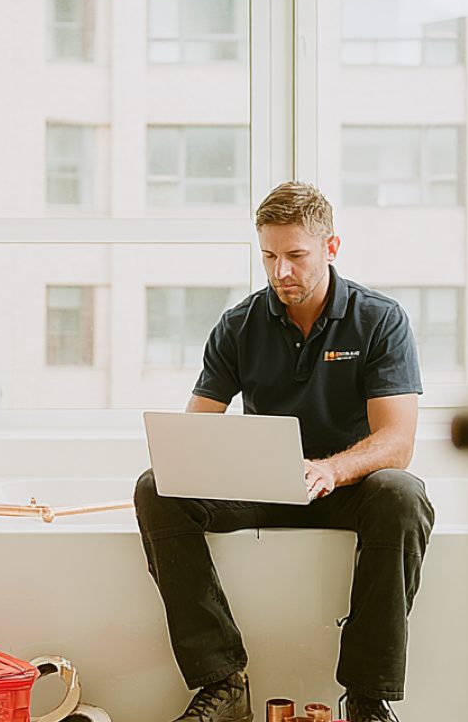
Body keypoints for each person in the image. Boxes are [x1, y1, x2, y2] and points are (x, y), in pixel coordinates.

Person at [134, 182, 434, 722]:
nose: (281, 273)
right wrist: (187, 455)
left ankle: (367, 699)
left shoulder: (380, 320)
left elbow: (398, 442)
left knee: (403, 493)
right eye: (269, 256)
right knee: (156, 485)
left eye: (296, 256)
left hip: (346, 487)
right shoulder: (239, 324)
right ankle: (222, 683)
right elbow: (196, 431)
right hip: (263, 487)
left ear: (331, 248)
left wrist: (331, 469)